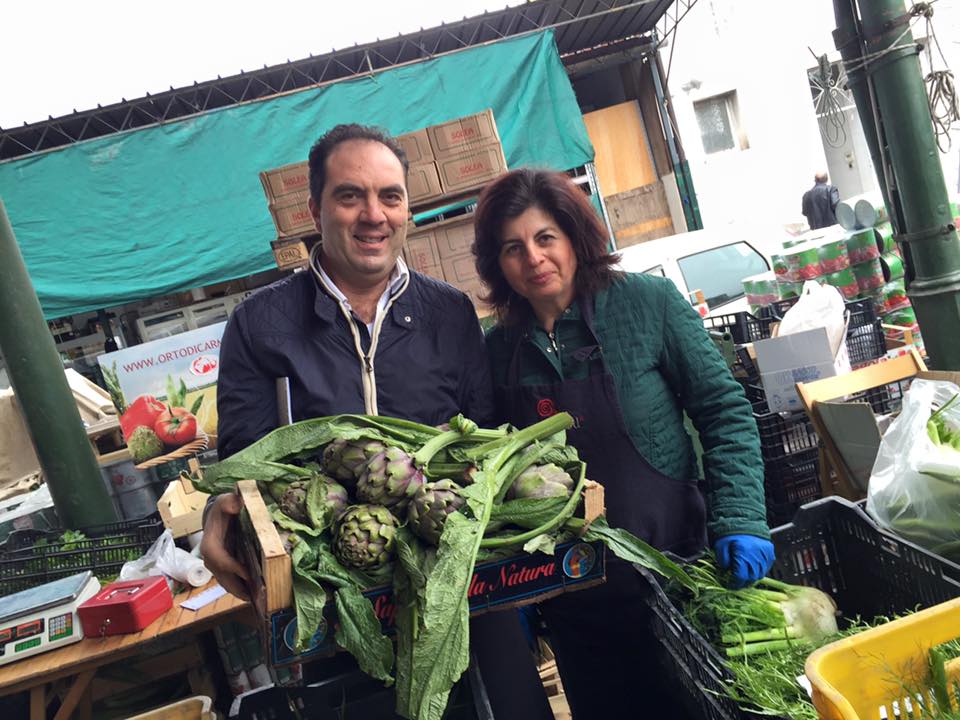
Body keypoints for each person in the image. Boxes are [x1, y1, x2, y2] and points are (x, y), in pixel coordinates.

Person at [200, 124, 552, 719]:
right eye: (350, 196)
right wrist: (221, 510)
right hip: (337, 603)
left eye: (390, 196)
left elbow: (481, 438)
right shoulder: (259, 326)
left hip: (459, 589)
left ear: (407, 208)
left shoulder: (450, 312)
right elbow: (246, 464)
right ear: (315, 209)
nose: (374, 215)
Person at [472, 168, 775, 719]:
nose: (533, 258)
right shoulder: (497, 351)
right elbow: (492, 474)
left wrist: (742, 518)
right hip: (577, 603)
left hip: (681, 578)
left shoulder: (647, 304)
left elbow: (724, 411)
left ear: (573, 238)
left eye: (545, 238)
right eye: (513, 248)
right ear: (497, 262)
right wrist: (508, 584)